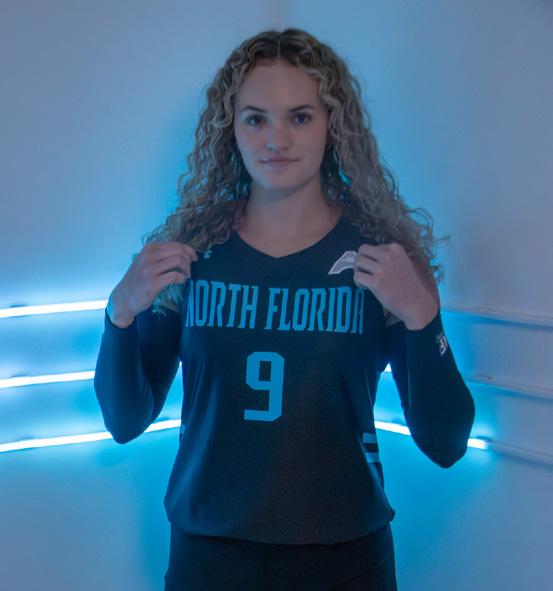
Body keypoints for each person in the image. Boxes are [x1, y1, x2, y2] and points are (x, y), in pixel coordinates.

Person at [94, 28, 476, 591]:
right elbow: (125, 421)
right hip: (208, 559)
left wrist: (423, 316)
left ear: (332, 125)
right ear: (231, 128)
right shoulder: (192, 253)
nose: (276, 139)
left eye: (300, 117)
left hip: (345, 559)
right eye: (256, 119)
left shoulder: (379, 259)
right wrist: (120, 313)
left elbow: (447, 443)